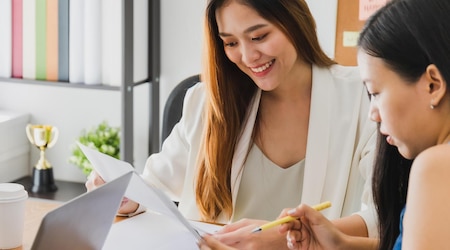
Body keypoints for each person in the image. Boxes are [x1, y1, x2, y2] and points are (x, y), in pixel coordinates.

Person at [87, 0, 378, 248]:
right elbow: (155, 186)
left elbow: (381, 216)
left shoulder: (363, 99)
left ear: (295, 22)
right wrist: (125, 195)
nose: (248, 57)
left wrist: (285, 237)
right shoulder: (207, 102)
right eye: (231, 43)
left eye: (259, 36)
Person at [269, 0, 450, 249]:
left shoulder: (436, 167)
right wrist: (341, 244)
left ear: (433, 84)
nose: (372, 114)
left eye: (375, 93)